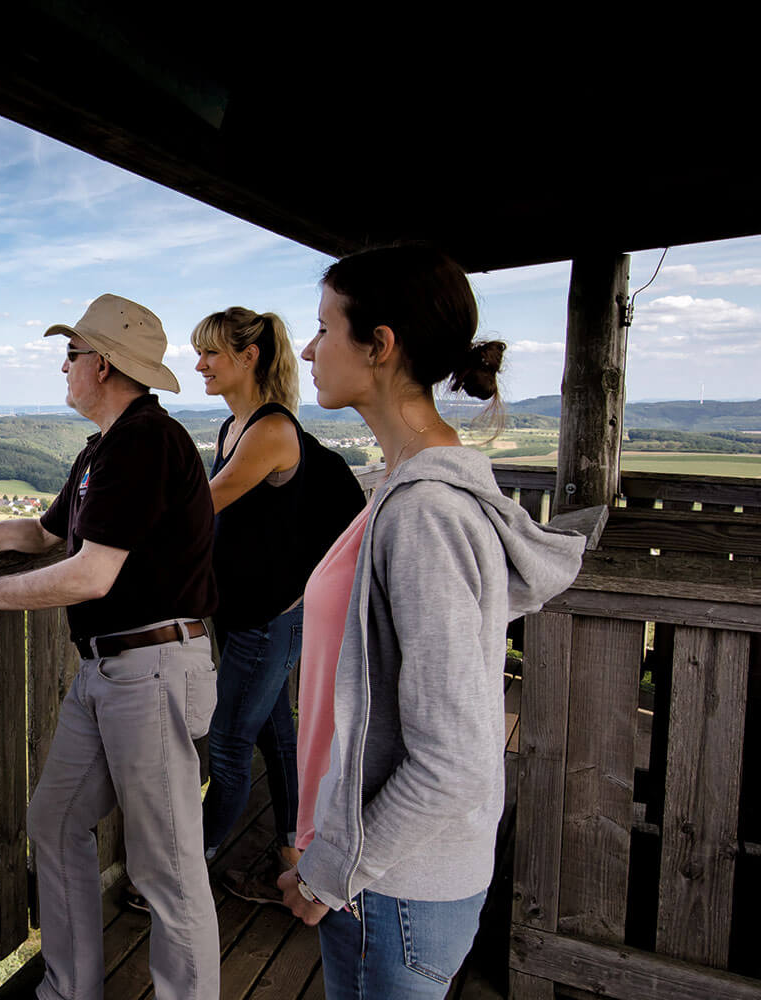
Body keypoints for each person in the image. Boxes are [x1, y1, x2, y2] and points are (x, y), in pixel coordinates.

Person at [273, 245, 584, 999]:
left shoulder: (426, 515)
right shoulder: (402, 491)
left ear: (380, 346)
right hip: (381, 873)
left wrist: (331, 871)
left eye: (324, 330)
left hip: (394, 885)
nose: (309, 350)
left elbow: (454, 757)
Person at [0, 294, 220, 1000]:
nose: (63, 368)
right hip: (111, 669)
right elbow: (50, 535)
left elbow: (89, 572)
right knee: (56, 819)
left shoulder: (145, 440)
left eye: (71, 355)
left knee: (166, 868)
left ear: (101, 364)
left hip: (153, 667)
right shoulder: (105, 447)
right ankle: (71, 990)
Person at [189, 307, 363, 904]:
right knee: (275, 738)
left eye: (211, 352)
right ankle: (295, 854)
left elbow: (198, 511)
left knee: (229, 743)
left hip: (267, 620)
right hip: (250, 615)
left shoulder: (269, 430)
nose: (200, 364)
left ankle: (190, 871)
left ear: (248, 356)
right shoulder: (232, 428)